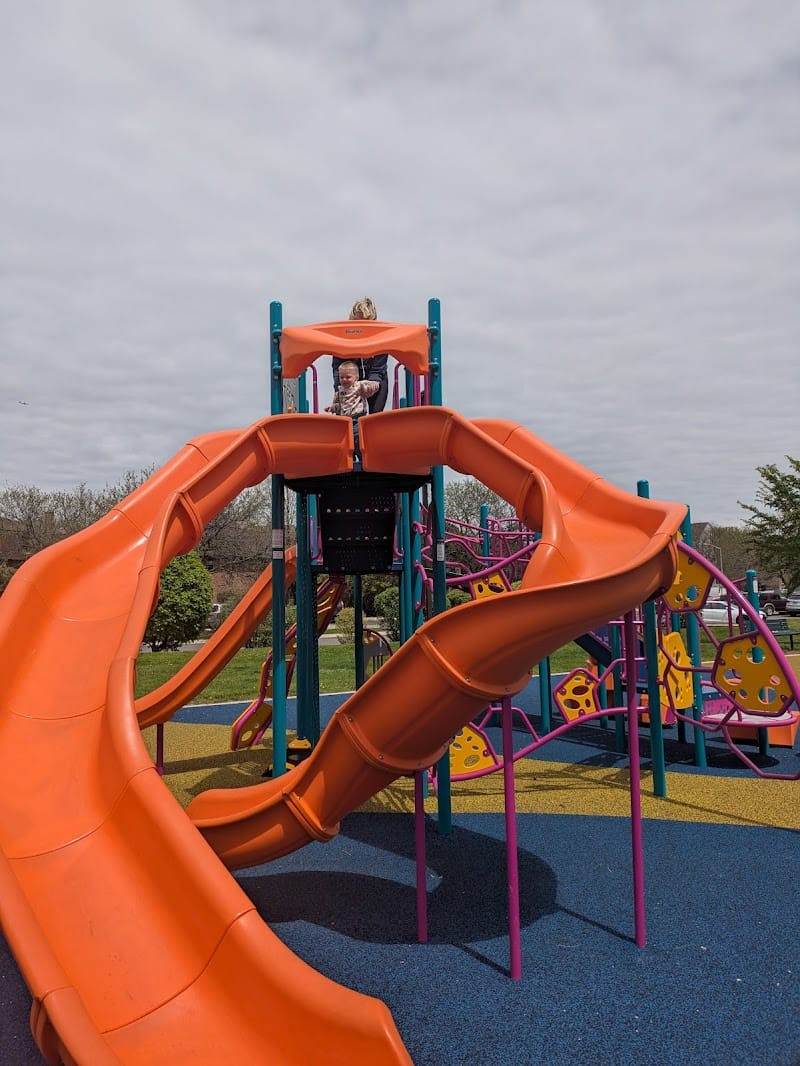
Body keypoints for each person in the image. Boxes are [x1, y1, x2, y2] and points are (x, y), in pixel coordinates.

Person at [331, 297, 389, 413]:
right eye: (357, 322)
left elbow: (378, 369)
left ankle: (374, 426)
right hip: (350, 380)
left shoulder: (380, 339)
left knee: (376, 412)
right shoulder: (343, 340)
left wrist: (373, 384)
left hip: (373, 379)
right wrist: (339, 388)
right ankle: (352, 429)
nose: (361, 327)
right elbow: (338, 368)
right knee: (346, 412)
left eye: (365, 323)